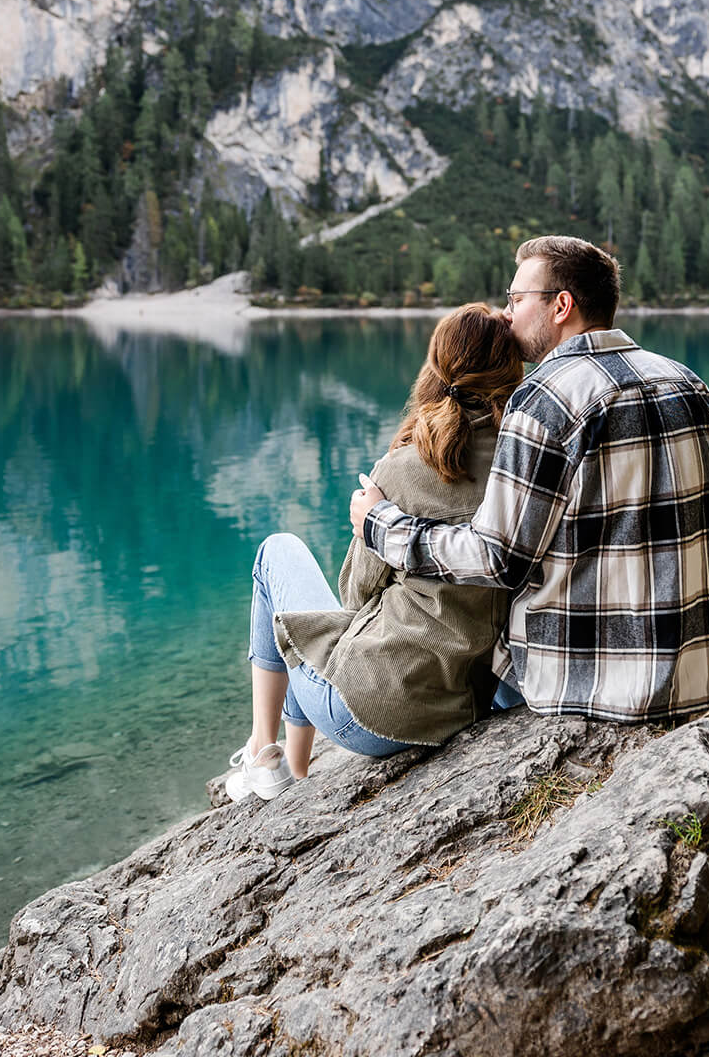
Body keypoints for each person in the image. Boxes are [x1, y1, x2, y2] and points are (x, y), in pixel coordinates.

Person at [351, 235, 709, 724]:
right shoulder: (687, 383)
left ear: (561, 306)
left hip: (595, 688)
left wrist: (380, 523)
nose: (507, 314)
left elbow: (496, 558)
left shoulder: (544, 400)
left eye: (516, 299)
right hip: (704, 679)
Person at [225, 302, 525, 803]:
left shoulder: (402, 468)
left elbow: (355, 594)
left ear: (438, 366)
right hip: (461, 705)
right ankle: (293, 772)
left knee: (277, 554)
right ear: (511, 371)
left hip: (367, 716)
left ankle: (263, 753)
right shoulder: (525, 466)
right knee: (309, 632)